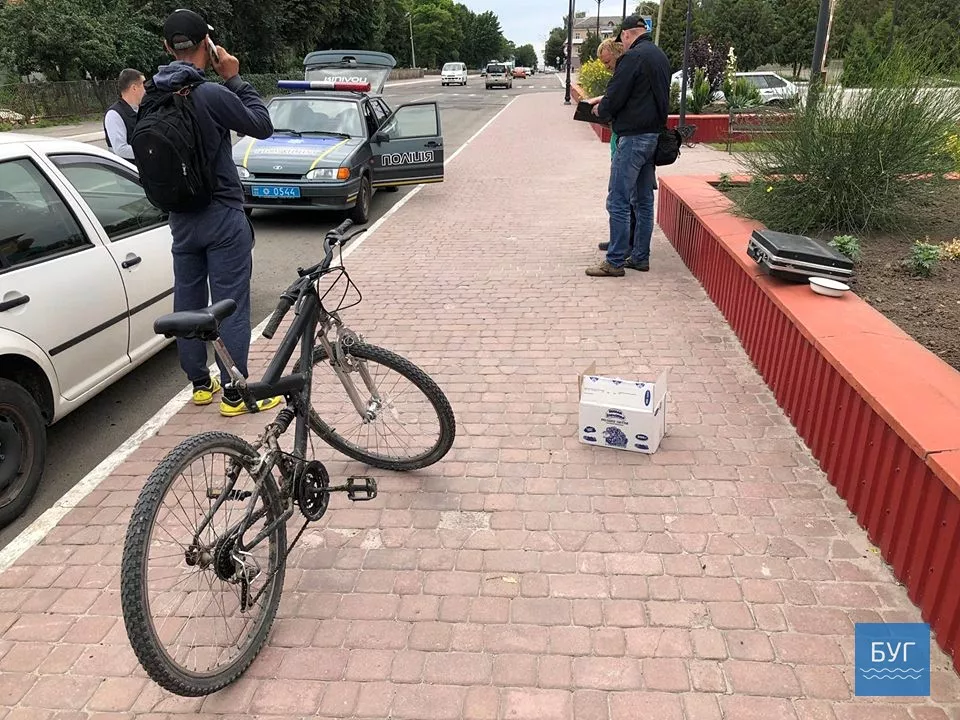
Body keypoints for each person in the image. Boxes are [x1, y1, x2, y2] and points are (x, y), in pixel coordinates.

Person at [153, 8, 279, 416]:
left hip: (181, 217)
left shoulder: (153, 96)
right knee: (230, 304)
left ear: (167, 47)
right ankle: (234, 393)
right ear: (206, 44)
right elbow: (262, 125)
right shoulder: (209, 93)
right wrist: (234, 78)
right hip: (222, 213)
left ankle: (200, 385)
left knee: (188, 302)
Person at [586, 14, 671, 278]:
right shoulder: (660, 56)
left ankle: (615, 261)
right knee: (644, 201)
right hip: (652, 137)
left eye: (621, 39)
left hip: (633, 138)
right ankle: (640, 257)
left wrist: (601, 109)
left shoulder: (632, 58)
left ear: (625, 34)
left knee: (619, 200)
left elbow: (616, 96)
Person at [586, 39, 635, 256]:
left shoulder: (625, 75)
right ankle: (620, 240)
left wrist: (603, 108)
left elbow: (618, 103)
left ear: (618, 55)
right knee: (621, 196)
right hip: (619, 139)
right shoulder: (620, 76)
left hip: (627, 141)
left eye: (608, 62)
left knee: (621, 198)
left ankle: (623, 245)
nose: (606, 67)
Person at [103, 69, 145, 163]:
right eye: (143, 85)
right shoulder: (114, 114)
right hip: (127, 169)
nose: (145, 90)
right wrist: (148, 152)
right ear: (134, 88)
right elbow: (121, 149)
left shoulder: (141, 109)